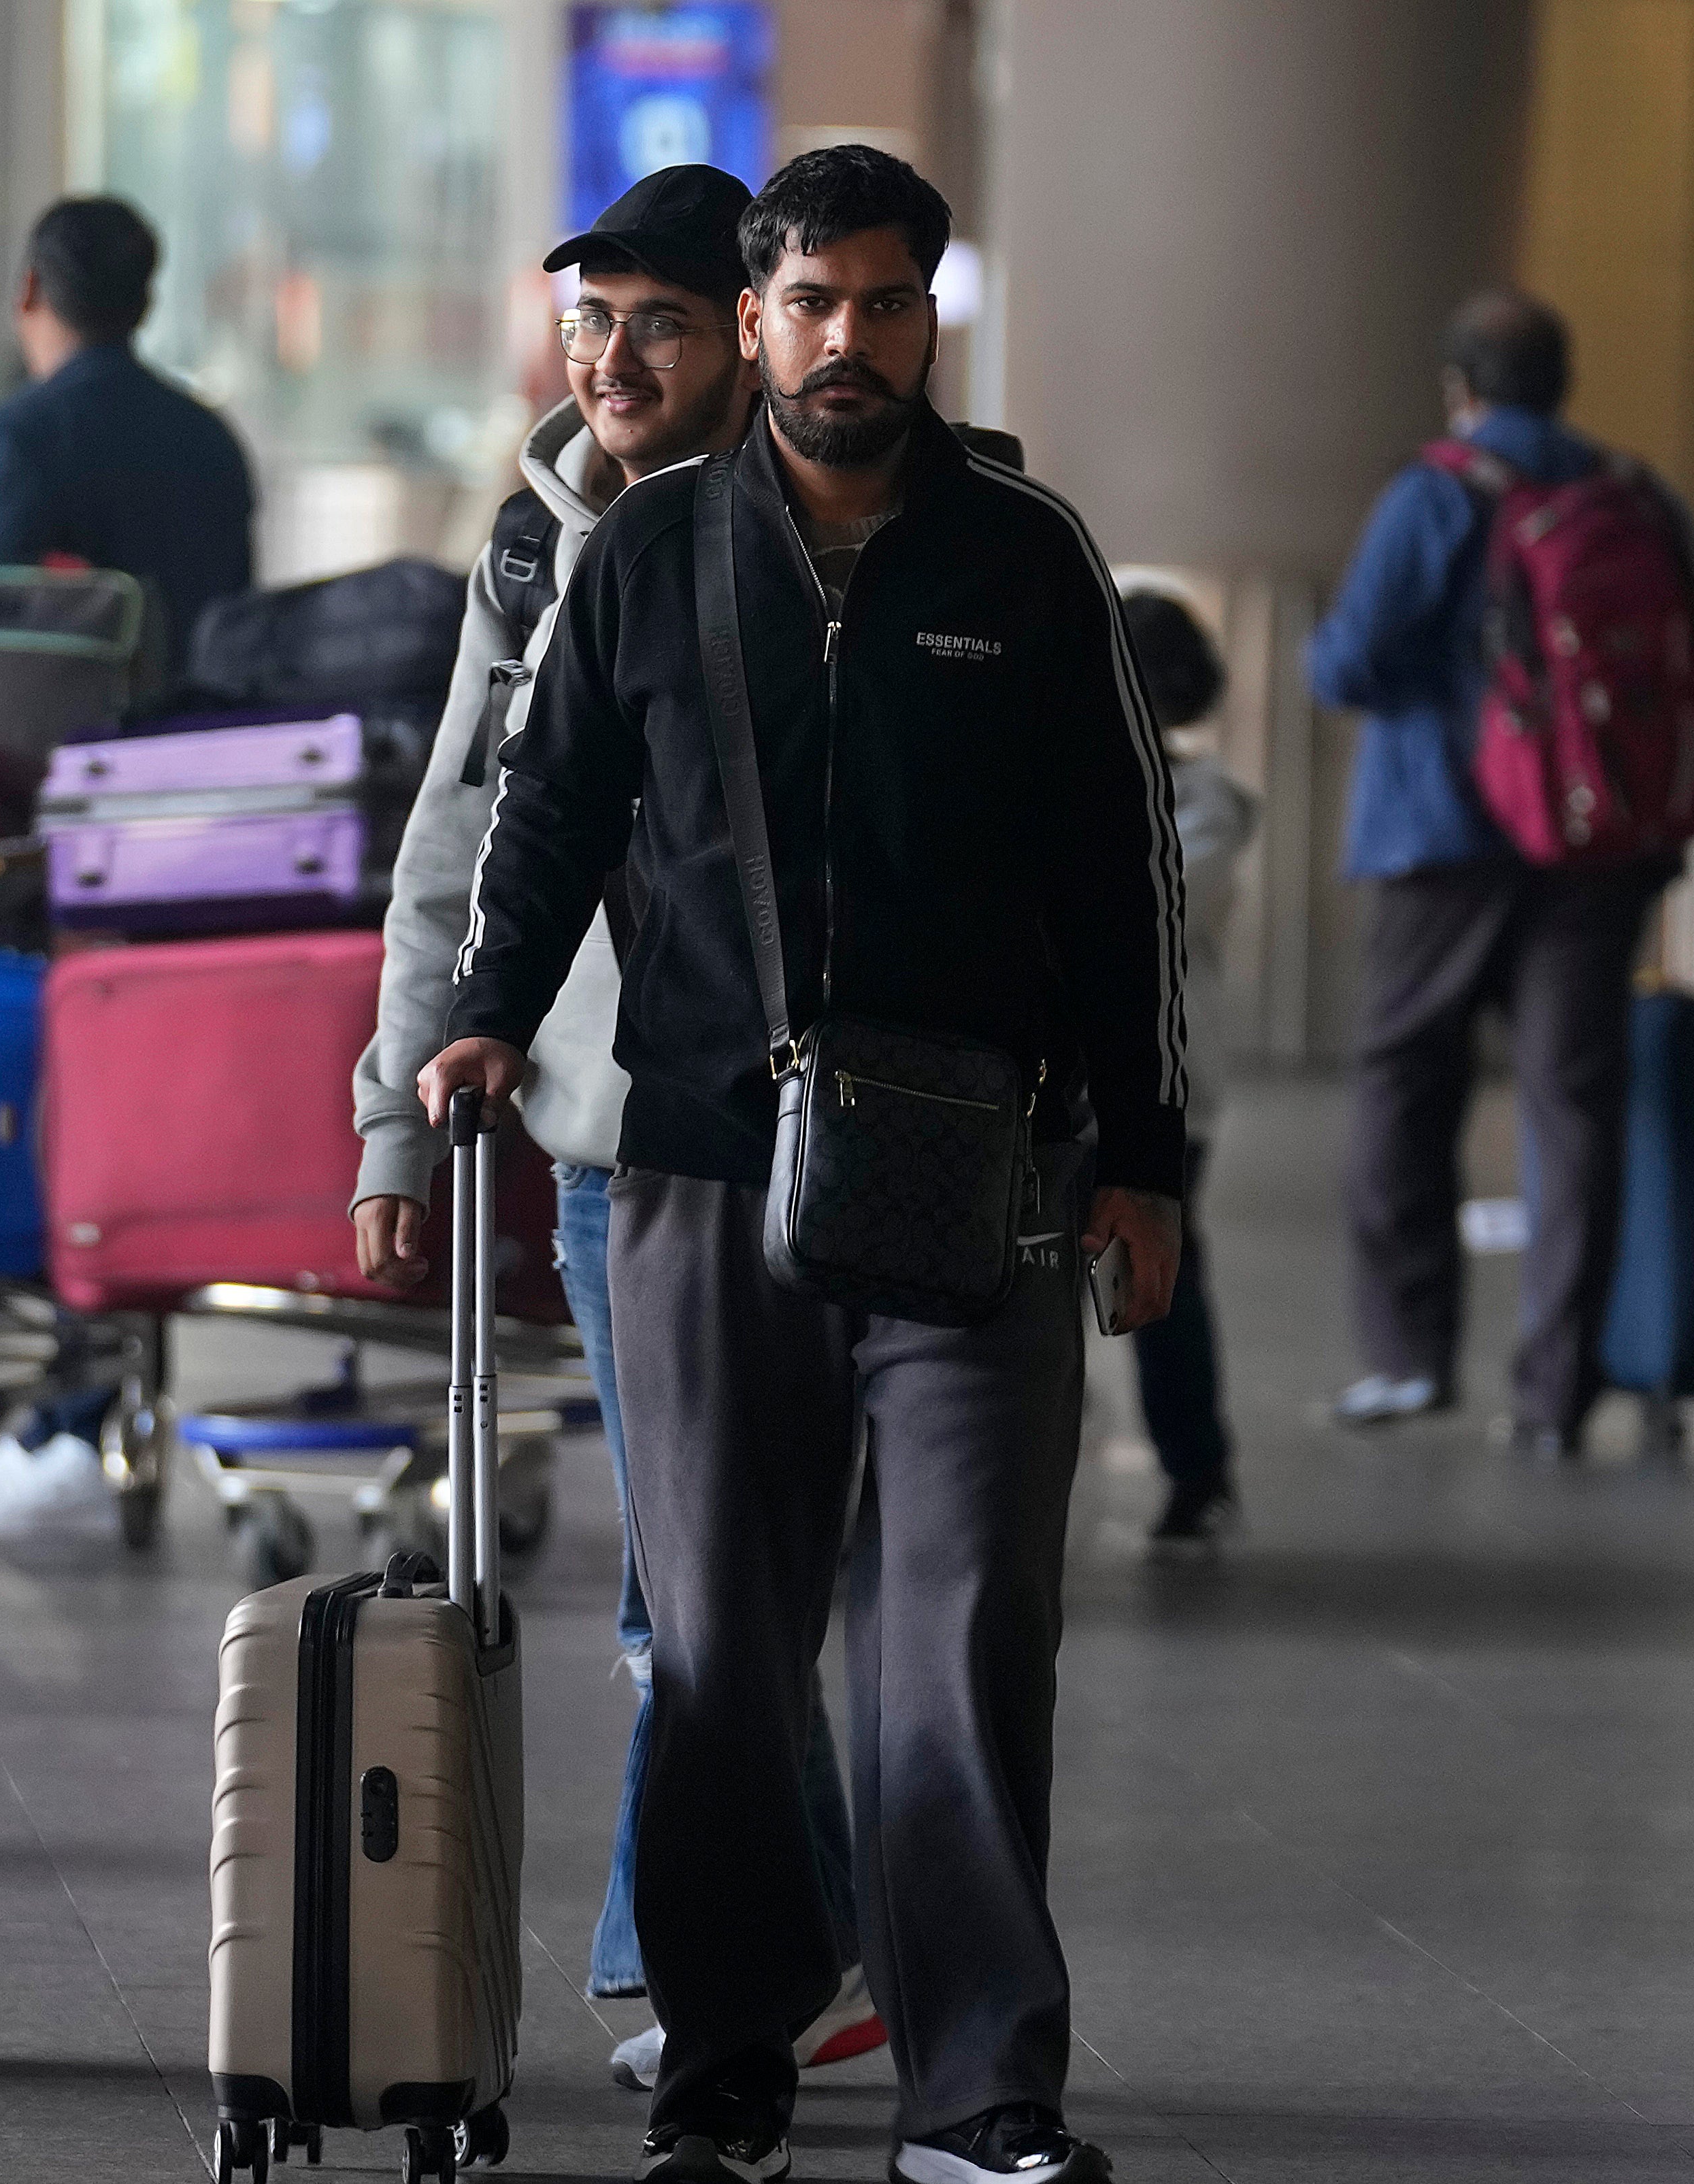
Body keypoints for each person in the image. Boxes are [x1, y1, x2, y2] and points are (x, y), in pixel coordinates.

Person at [429, 144, 1184, 2184]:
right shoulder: (653, 554)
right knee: (726, 1648)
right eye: (812, 302)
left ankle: (980, 2086)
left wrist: (1148, 1154)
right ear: (753, 319)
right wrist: (487, 1005)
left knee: (957, 1635)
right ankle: (727, 2069)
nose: (849, 339)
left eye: (885, 302)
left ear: (929, 320)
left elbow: (1125, 877)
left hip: (985, 1180)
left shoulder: (1024, 561)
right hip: (699, 1168)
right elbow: (554, 810)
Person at [348, 163, 881, 2094]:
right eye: (590, 320)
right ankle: (765, 1954)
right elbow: (456, 852)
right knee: (688, 1587)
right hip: (606, 1135)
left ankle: (751, 1957)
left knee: (728, 1589)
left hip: (826, 1128)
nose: (614, 358)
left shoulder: (829, 536)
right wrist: (391, 1128)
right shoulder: (538, 538)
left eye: (656, 321)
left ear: (741, 333)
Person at [1310, 289, 1677, 1456]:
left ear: (1459, 387)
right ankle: (1557, 1391)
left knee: (1404, 1088)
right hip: (1595, 842)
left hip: (1443, 831)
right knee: (1572, 1108)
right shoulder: (1631, 496)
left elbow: (1348, 663)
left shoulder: (1436, 492)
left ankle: (1410, 1359)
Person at [0, 195, 254, 659]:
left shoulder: (6, 447)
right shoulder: (211, 440)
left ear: (30, 289)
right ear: (145, 305)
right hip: (199, 728)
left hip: (54, 731)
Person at [1116, 590, 1256, 1548]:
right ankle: (1195, 1465)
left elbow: (1150, 902)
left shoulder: (1207, 806)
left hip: (1167, 1074)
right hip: (1147, 1069)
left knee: (1159, 1272)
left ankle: (1197, 1464)